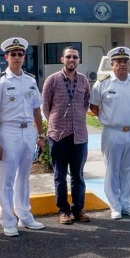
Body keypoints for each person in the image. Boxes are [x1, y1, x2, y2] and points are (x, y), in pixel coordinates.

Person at [0, 37, 46, 236]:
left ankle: (25, 216)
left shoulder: (29, 80)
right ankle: (8, 220)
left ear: (24, 57)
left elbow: (36, 109)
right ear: (6, 57)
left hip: (28, 131)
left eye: (20, 54)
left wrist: (40, 134)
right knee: (7, 179)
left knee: (24, 178)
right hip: (8, 131)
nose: (17, 57)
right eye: (13, 54)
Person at [89, 47, 130, 220]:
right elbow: (93, 105)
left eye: (125, 61)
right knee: (112, 169)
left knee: (128, 169)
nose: (122, 64)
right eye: (118, 61)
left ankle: (127, 203)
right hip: (112, 132)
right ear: (111, 64)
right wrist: (107, 118)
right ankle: (115, 205)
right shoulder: (103, 83)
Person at [42, 46, 91, 224]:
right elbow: (46, 106)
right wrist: (55, 122)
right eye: (69, 57)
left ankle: (78, 209)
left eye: (75, 57)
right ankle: (64, 210)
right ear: (62, 59)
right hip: (58, 135)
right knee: (60, 175)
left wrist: (76, 117)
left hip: (79, 135)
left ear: (78, 60)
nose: (72, 60)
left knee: (78, 175)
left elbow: (85, 103)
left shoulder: (84, 81)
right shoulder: (52, 80)